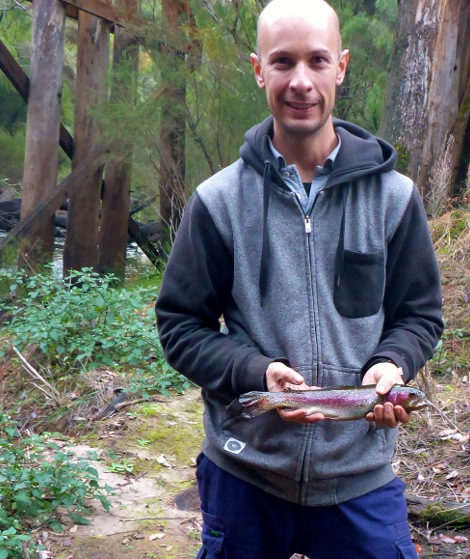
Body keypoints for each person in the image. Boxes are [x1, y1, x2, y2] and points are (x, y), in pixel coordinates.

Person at [154, 0, 443, 557]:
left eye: (317, 60)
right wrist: (255, 374)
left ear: (342, 66)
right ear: (259, 69)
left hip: (359, 477)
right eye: (283, 62)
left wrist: (392, 364)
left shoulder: (395, 198)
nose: (301, 82)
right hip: (245, 472)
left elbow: (419, 316)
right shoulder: (217, 202)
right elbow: (181, 327)